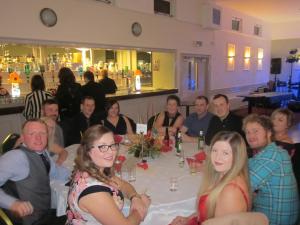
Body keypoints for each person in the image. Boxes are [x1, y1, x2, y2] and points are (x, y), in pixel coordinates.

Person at [66, 125, 150, 225]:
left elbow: (123, 185)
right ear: (88, 151)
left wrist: (134, 198)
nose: (111, 152)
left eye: (112, 145)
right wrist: (141, 207)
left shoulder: (95, 169)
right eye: (103, 147)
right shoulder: (94, 192)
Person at [170, 131, 251, 225]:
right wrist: (188, 219)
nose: (217, 157)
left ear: (237, 157)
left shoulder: (231, 192)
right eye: (215, 150)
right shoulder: (222, 174)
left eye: (225, 153)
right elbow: (209, 209)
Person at [0, 119, 70, 225]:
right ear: (23, 137)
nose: (38, 138)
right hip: (30, 220)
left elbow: (55, 172)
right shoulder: (15, 157)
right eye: (32, 133)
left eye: (42, 133)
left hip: (46, 212)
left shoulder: (43, 152)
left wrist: (76, 175)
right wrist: (12, 203)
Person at [243, 114, 299, 225]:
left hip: (274, 220)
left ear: (268, 133)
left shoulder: (272, 156)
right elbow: (247, 164)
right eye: (247, 132)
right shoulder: (271, 151)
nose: (250, 136)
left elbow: (243, 186)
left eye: (255, 131)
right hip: (271, 212)